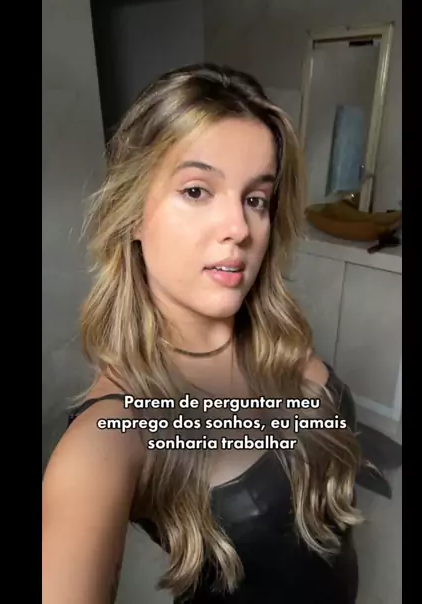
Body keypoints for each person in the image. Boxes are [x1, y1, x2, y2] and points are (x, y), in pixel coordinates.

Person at [42, 63, 364, 604]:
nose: (239, 229)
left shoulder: (276, 336)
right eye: (197, 191)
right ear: (133, 214)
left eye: (255, 199)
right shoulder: (107, 440)